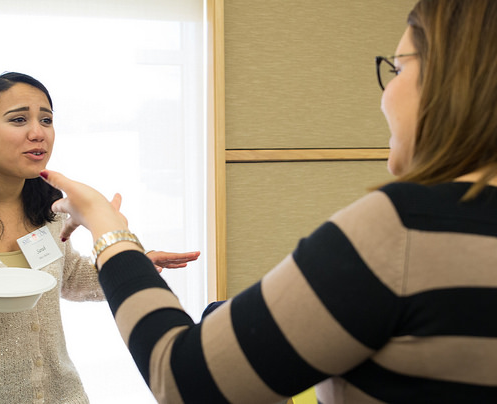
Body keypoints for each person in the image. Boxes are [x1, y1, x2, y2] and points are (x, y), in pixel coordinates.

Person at [38, 0, 497, 402]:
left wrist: (108, 227)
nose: (383, 98)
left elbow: (180, 377)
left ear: (452, 78)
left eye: (396, 68)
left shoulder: (402, 229)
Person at [0, 72, 200, 404]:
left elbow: (69, 276)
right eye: (19, 119)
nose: (38, 133)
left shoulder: (52, 204)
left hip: (62, 395)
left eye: (46, 120)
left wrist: (127, 264)